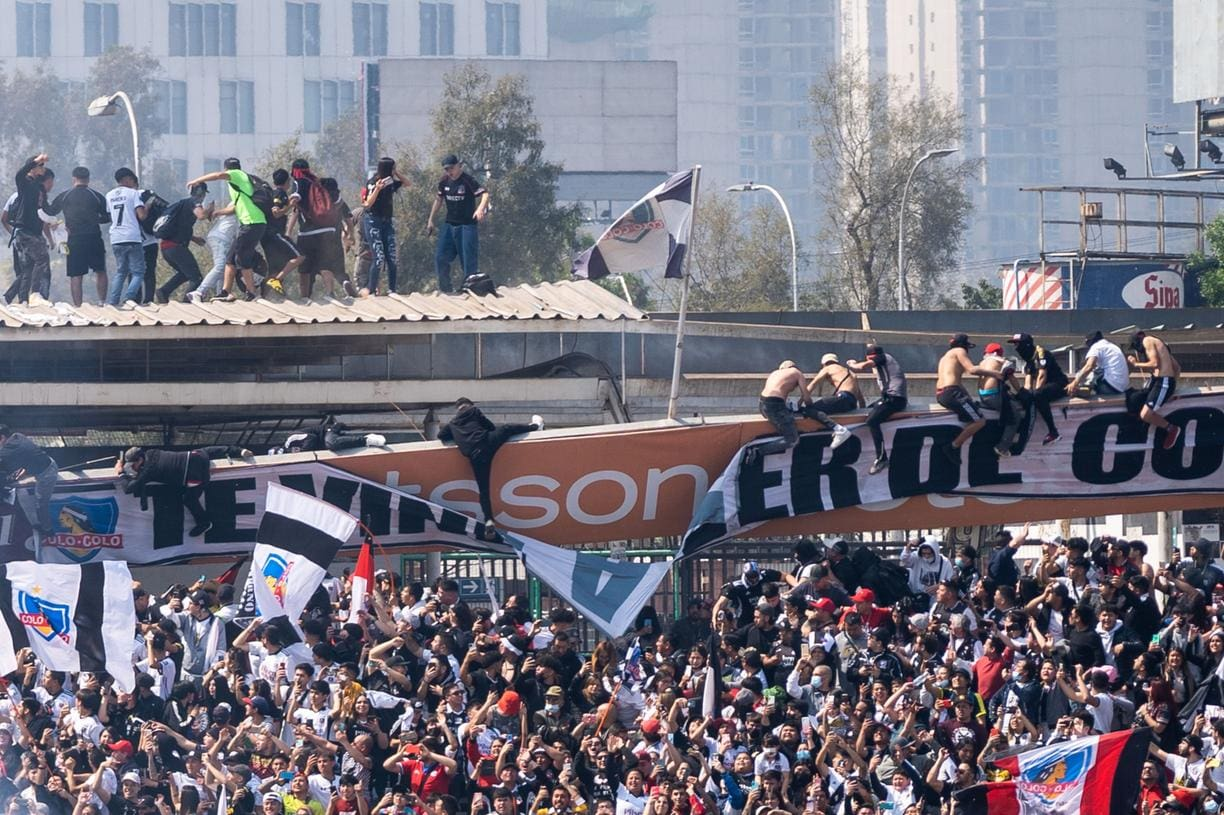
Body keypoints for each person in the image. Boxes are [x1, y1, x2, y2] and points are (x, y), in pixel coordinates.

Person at [437, 398, 542, 541]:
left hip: (475, 456)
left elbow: (441, 436)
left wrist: (458, 435)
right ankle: (535, 427)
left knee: (484, 490)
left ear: (457, 409)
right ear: (470, 405)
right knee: (507, 428)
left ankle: (489, 520)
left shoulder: (452, 424)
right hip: (487, 442)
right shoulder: (474, 411)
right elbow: (490, 427)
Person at [115, 445, 250, 537]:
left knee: (189, 499)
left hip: (196, 476)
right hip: (197, 457)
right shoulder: (152, 452)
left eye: (133, 464)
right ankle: (238, 451)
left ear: (140, 460)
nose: (132, 467)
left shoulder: (148, 471)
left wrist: (121, 473)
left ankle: (204, 523)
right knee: (204, 451)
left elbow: (129, 488)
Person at [186, 158, 267, 302]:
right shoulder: (241, 185)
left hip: (252, 223)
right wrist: (218, 212)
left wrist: (195, 181)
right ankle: (225, 292)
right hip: (250, 224)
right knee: (230, 258)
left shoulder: (236, 175)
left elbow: (217, 175)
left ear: (227, 169)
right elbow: (235, 207)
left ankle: (252, 293)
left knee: (242, 259)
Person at [746, 361, 850, 467]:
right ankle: (758, 451)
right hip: (774, 405)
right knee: (792, 440)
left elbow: (779, 396)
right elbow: (806, 397)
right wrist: (810, 407)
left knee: (786, 419)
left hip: (762, 405)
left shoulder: (774, 373)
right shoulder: (797, 373)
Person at [42, 166, 110, 306]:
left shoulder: (65, 195)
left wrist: (41, 197)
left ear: (74, 179)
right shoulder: (96, 196)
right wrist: (94, 219)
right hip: (94, 237)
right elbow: (107, 217)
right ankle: (102, 302)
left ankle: (78, 306)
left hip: (73, 238)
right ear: (88, 179)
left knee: (75, 274)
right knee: (100, 270)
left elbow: (50, 210)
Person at [934, 334, 1004, 460]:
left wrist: (969, 399)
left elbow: (958, 383)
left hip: (942, 393)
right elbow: (972, 370)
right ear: (964, 345)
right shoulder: (959, 351)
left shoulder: (946, 357)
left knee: (970, 416)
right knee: (979, 421)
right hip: (951, 392)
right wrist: (995, 374)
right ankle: (953, 446)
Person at [427, 155, 489, 294]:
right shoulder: (444, 182)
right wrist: (431, 219)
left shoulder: (467, 180)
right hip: (450, 225)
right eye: (446, 169)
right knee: (440, 257)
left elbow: (484, 194)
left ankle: (469, 288)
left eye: (452, 168)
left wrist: (480, 208)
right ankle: (445, 289)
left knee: (468, 260)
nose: (449, 172)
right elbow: (439, 199)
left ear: (459, 166)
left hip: (467, 225)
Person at [844, 345, 908, 475]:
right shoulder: (884, 363)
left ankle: (882, 458)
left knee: (872, 421)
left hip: (894, 399)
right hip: (889, 398)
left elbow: (862, 367)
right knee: (866, 412)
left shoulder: (884, 358)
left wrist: (852, 364)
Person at [1006, 332, 1068, 446]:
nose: (1016, 348)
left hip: (1059, 384)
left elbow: (1042, 376)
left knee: (1038, 395)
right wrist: (1023, 394)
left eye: (1017, 344)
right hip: (1047, 387)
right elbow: (1028, 383)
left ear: (1026, 344)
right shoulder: (1029, 362)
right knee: (1025, 396)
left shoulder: (1041, 354)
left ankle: (1053, 432)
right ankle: (1020, 427)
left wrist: (1035, 394)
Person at [1125, 330, 1183, 449]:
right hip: (1160, 381)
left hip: (1163, 382)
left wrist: (1136, 364)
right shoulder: (1160, 344)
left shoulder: (1147, 341)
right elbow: (1177, 368)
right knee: (1135, 399)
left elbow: (1154, 363)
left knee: (1145, 414)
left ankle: (1171, 429)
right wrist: (1173, 389)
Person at [0, 424, 58, 541]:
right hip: (42, 462)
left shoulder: (7, 452)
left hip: (46, 474)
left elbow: (5, 461)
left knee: (40, 503)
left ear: (2, 437)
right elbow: (27, 452)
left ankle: (47, 530)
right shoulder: (18, 436)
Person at [153, 183, 209, 303]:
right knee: (196, 278)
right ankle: (186, 303)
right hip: (176, 247)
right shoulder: (193, 202)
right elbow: (201, 215)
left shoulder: (182, 204)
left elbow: (180, 227)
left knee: (185, 273)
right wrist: (211, 210)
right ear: (202, 194)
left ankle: (164, 291)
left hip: (166, 247)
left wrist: (194, 238)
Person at [11, 153, 55, 304]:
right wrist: (36, 161)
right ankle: (35, 293)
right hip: (25, 229)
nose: (43, 168)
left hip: (36, 230)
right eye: (40, 166)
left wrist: (55, 221)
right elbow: (19, 174)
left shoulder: (40, 187)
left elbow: (46, 209)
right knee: (42, 258)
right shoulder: (25, 182)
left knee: (29, 266)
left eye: (43, 165)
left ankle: (23, 300)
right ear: (33, 167)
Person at [361, 157, 408, 295]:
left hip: (387, 221)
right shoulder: (373, 182)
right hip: (373, 221)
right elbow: (367, 204)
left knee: (391, 257)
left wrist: (397, 173)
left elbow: (407, 183)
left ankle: (392, 289)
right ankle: (371, 289)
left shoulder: (391, 182)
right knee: (379, 257)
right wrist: (377, 189)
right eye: (392, 168)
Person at [105, 167, 149, 305]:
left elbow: (110, 215)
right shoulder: (133, 193)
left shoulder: (109, 195)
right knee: (138, 272)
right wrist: (147, 206)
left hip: (116, 237)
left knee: (121, 272)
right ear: (128, 179)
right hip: (132, 236)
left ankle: (113, 301)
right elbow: (142, 216)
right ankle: (129, 298)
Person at [261, 168, 307, 295]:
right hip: (274, 234)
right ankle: (276, 280)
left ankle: (264, 295)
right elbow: (276, 213)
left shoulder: (273, 193)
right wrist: (291, 205)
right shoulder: (279, 193)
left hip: (267, 236)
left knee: (275, 268)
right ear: (287, 182)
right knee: (299, 256)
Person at [977, 342, 1025, 458]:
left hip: (983, 396)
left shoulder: (982, 362)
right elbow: (1012, 378)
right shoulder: (1000, 360)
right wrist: (1021, 392)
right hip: (993, 395)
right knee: (1015, 417)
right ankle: (1003, 447)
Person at [1067, 331, 1130, 397]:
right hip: (1122, 388)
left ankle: (1079, 388)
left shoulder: (1096, 347)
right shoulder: (1112, 346)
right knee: (1098, 369)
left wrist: (1075, 382)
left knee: (1089, 372)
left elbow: (1089, 366)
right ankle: (1084, 387)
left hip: (1109, 388)